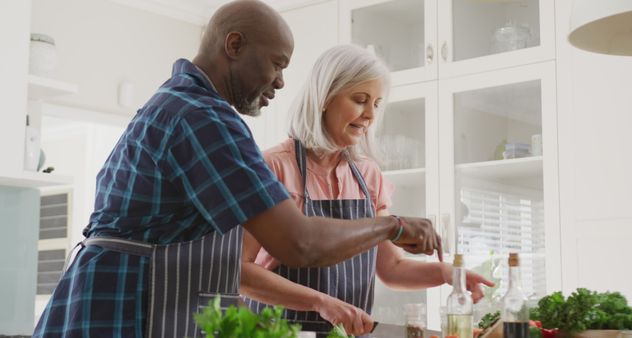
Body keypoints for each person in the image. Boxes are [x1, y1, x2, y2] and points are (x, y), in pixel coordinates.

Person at [33, 2, 441, 337]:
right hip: (125, 312)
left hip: (120, 305)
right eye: (277, 64)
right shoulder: (202, 117)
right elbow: (298, 243)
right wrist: (393, 227)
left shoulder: (178, 104)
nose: (281, 83)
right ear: (234, 45)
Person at [240, 44, 495, 337]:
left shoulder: (366, 174)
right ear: (324, 98)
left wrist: (447, 273)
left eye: (376, 103)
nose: (370, 115)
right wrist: (320, 303)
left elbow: (391, 268)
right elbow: (242, 272)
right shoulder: (273, 168)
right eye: (360, 100)